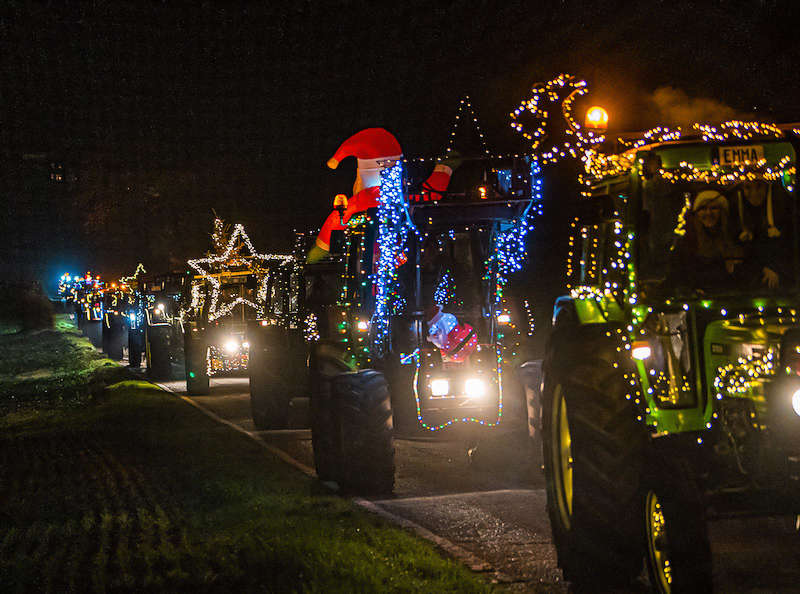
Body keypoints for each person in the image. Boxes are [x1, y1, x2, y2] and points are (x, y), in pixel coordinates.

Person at [668, 189, 741, 292]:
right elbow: (676, 278)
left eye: (714, 208)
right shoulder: (685, 244)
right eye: (703, 208)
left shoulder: (734, 241)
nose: (708, 213)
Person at [731, 180, 787, 288]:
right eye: (748, 188)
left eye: (759, 186)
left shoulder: (782, 211)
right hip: (749, 277)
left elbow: (788, 246)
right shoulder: (736, 215)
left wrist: (775, 268)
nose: (754, 193)